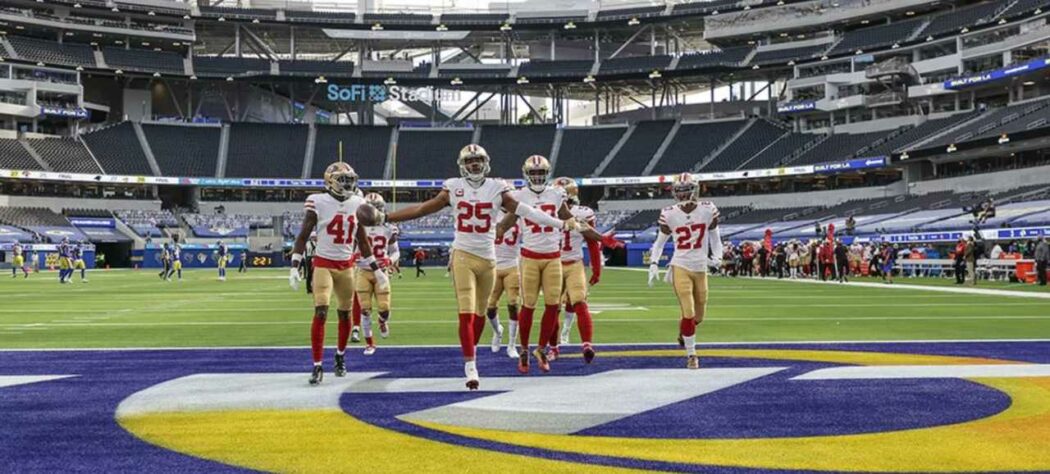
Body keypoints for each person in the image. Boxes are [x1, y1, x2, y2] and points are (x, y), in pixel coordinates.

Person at [382, 144, 575, 390]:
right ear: (463, 165)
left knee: (480, 314)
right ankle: (470, 365)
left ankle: (473, 350)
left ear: (486, 163)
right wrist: (387, 217)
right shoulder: (453, 186)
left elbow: (527, 211)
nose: (474, 165)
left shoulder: (497, 187)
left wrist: (560, 224)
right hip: (463, 254)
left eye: (478, 160)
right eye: (470, 161)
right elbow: (422, 209)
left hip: (488, 258)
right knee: (465, 310)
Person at [496, 156, 605, 374]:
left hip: (553, 256)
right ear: (526, 174)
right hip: (529, 257)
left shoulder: (556, 194)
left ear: (547, 174)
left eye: (540, 173)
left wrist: (599, 237)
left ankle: (541, 349)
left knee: (553, 306)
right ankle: (525, 349)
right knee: (529, 305)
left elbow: (571, 221)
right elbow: (506, 223)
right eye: (533, 173)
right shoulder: (518, 195)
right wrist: (484, 236)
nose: (537, 177)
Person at [288, 162, 386, 386]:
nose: (348, 183)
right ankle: (317, 365)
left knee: (345, 314)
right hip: (323, 263)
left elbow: (362, 240)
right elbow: (303, 235)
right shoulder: (318, 201)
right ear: (330, 181)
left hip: (346, 266)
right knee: (321, 311)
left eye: (350, 179)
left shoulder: (358, 203)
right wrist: (295, 265)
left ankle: (340, 355)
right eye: (343, 179)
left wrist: (377, 269)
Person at [647, 172, 721, 369]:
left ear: (694, 190)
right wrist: (654, 263)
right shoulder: (669, 213)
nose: (682, 194)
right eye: (678, 191)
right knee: (688, 312)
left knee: (698, 316)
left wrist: (718, 257)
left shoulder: (708, 209)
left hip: (700, 266)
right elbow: (660, 242)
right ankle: (692, 354)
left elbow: (715, 236)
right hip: (680, 264)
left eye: (685, 190)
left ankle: (684, 333)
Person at [553, 177, 607, 361]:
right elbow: (592, 244)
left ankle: (557, 348)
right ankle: (585, 344)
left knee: (556, 308)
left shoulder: (547, 211)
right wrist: (597, 269)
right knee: (579, 304)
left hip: (558, 263)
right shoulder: (584, 213)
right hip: (570, 263)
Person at [356, 192, 399, 355]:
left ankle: (382, 321)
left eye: (376, 209)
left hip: (381, 271)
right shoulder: (357, 227)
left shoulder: (388, 228)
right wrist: (353, 256)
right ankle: (370, 344)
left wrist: (390, 260)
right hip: (363, 271)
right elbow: (350, 250)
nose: (372, 212)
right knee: (365, 310)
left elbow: (396, 252)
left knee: (384, 309)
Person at [486, 209, 518, 357]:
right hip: (495, 265)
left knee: (513, 303)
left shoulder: (519, 215)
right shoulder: (491, 214)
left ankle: (512, 344)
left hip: (513, 265)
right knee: (490, 307)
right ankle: (498, 331)